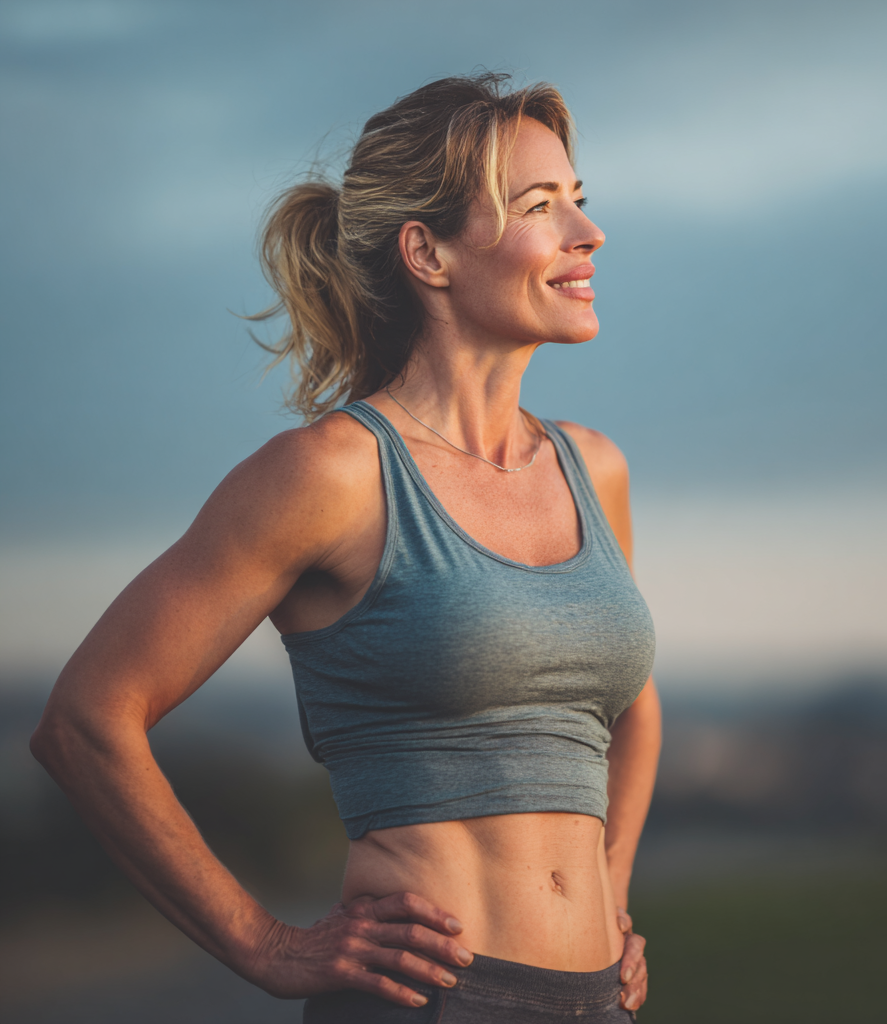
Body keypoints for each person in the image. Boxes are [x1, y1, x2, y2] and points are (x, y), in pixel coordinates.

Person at [31, 72, 661, 1022]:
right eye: (540, 206)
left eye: (579, 198)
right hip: (430, 998)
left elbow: (631, 711)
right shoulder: (332, 475)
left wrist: (610, 892)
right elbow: (86, 720)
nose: (589, 232)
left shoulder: (594, 467)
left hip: (598, 1000)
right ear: (428, 253)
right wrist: (265, 944)